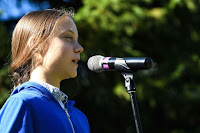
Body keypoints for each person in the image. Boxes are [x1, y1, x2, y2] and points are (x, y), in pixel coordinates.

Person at [0, 8, 90, 133]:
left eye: (77, 40)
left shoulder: (80, 117)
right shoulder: (23, 103)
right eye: (69, 37)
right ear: (37, 45)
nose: (79, 48)